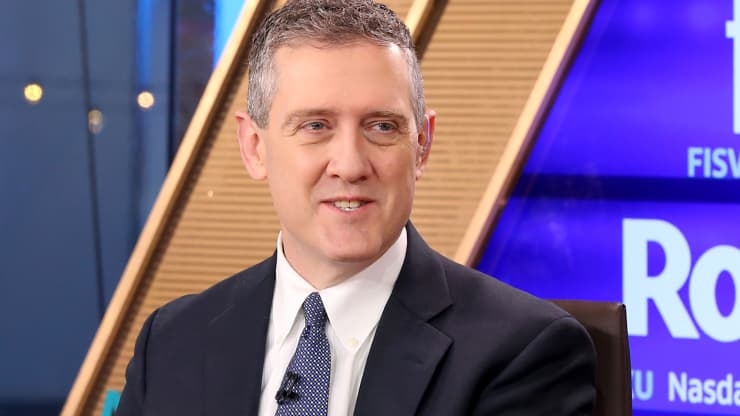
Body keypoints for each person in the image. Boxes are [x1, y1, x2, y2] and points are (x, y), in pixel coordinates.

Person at [115, 0, 596, 414]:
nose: (349, 165)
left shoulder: (523, 352)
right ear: (254, 147)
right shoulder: (172, 342)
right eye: (315, 126)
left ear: (422, 145)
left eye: (382, 126)